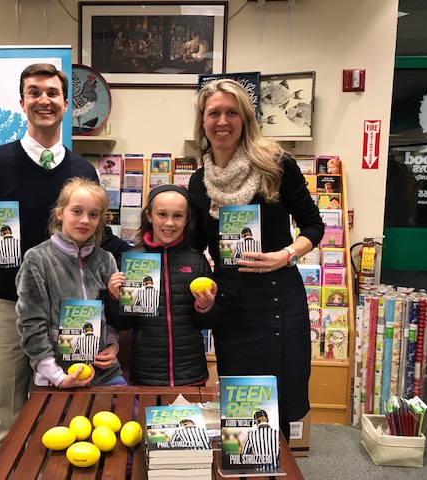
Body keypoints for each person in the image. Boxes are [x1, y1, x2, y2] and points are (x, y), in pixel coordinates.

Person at [0, 63, 130, 462]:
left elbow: (100, 238)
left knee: (69, 413)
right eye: (34, 92)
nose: (43, 100)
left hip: (71, 315)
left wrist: (148, 256)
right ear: (22, 102)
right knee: (8, 417)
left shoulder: (82, 170)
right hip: (9, 308)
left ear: (66, 104)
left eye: (52, 93)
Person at [188, 79, 325, 441]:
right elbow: (196, 243)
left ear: (245, 118)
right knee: (241, 400)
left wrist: (286, 255)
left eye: (232, 112)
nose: (222, 121)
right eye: (214, 113)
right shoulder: (198, 181)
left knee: (277, 402)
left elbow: (313, 225)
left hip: (279, 296)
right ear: (202, 121)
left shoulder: (275, 165)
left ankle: (275, 463)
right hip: (232, 304)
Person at [16, 177, 126, 389]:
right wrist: (56, 375)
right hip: (58, 374)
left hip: (104, 371)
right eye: (77, 211)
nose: (85, 220)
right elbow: (30, 323)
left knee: (129, 418)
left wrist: (112, 346)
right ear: (60, 213)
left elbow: (112, 317)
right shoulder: (37, 259)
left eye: (93, 214)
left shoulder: (106, 259)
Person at [108, 184, 218, 386]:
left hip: (191, 374)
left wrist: (206, 307)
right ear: (149, 216)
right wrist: (115, 298)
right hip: (146, 374)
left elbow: (208, 323)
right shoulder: (132, 260)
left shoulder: (197, 261)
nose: (169, 223)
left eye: (177, 216)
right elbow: (124, 325)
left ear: (187, 219)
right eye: (162, 214)